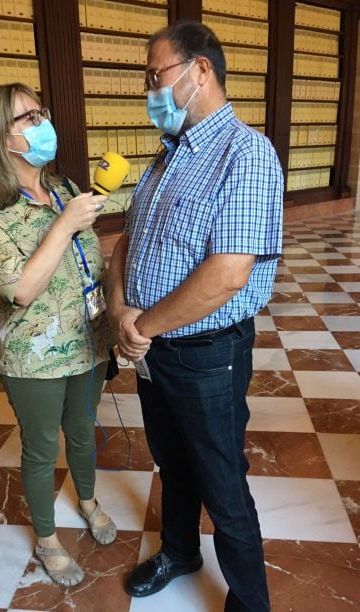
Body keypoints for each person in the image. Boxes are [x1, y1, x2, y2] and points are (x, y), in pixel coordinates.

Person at [107, 21, 283, 612]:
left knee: (222, 479)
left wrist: (141, 327)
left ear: (198, 71)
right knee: (172, 461)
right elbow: (125, 245)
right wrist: (117, 312)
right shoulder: (165, 159)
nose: (149, 89)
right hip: (151, 349)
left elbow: (228, 274)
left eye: (155, 75)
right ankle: (180, 551)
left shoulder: (247, 154)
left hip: (207, 354)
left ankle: (250, 601)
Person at [0, 83, 117, 588]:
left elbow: (89, 261)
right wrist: (65, 225)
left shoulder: (66, 188)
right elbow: (22, 290)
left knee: (83, 428)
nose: (41, 123)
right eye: (27, 118)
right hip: (35, 357)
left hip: (89, 342)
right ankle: (48, 539)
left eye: (40, 111)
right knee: (40, 445)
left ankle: (89, 500)